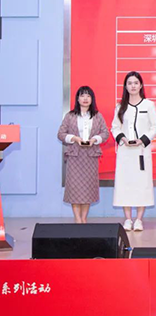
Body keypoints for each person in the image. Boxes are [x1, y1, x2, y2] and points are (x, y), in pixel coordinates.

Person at [111, 71, 156, 231]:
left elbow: (155, 127)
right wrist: (123, 138)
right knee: (125, 184)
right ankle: (128, 219)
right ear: (125, 86)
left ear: (141, 85)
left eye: (136, 83)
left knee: (142, 184)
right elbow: (115, 127)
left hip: (141, 152)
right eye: (130, 83)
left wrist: (142, 140)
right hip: (125, 152)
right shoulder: (120, 107)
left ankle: (139, 219)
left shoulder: (149, 105)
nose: (133, 86)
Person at [57, 86, 109, 223]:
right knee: (75, 188)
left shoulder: (97, 116)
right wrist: (74, 138)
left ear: (92, 99)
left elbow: (105, 133)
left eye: (88, 96)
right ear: (77, 99)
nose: (85, 99)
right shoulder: (70, 116)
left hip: (91, 157)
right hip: (75, 156)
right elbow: (60, 134)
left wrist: (94, 140)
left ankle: (84, 219)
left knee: (88, 189)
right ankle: (77, 219)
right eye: (82, 95)